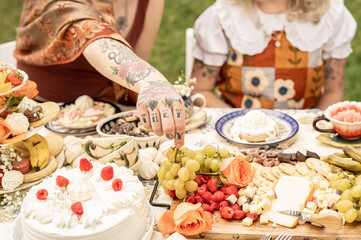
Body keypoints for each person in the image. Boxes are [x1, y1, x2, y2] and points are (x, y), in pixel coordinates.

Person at [14, 0, 185, 147]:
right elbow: (88, 32)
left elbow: (136, 59)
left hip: (110, 116)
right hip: (45, 122)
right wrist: (150, 80)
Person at [191, 0, 357, 110]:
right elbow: (200, 90)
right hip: (237, 135)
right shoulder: (222, 16)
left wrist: (315, 131)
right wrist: (239, 125)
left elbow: (333, 92)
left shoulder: (330, 14)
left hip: (304, 135)